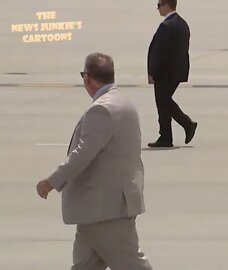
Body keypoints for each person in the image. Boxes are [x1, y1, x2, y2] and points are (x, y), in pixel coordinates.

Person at [36, 53, 153, 270]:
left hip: (104, 210)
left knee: (132, 265)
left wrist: (51, 181)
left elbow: (83, 154)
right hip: (100, 208)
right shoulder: (122, 102)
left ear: (87, 78)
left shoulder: (101, 109)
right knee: (84, 266)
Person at [147, 0, 197, 148]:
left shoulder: (166, 26)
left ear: (166, 5)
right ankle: (167, 135)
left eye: (159, 5)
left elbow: (159, 52)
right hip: (177, 71)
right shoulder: (182, 23)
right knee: (165, 101)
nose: (157, 9)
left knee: (162, 102)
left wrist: (153, 72)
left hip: (165, 72)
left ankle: (184, 126)